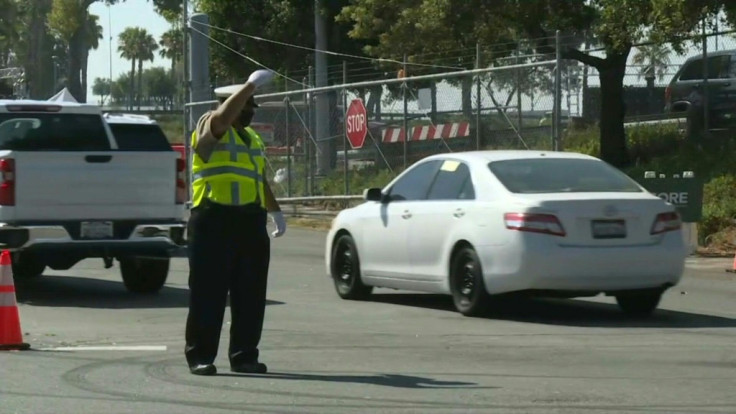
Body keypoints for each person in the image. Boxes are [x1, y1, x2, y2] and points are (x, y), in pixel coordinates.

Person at [185, 69, 286, 376]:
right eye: (246, 106)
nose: (251, 112)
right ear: (233, 104)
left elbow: (258, 178)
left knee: (251, 295)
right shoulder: (210, 123)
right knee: (209, 294)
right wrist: (249, 84)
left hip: (249, 222)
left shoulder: (251, 137)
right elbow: (222, 119)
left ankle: (244, 356)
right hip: (213, 219)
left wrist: (275, 211)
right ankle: (201, 356)